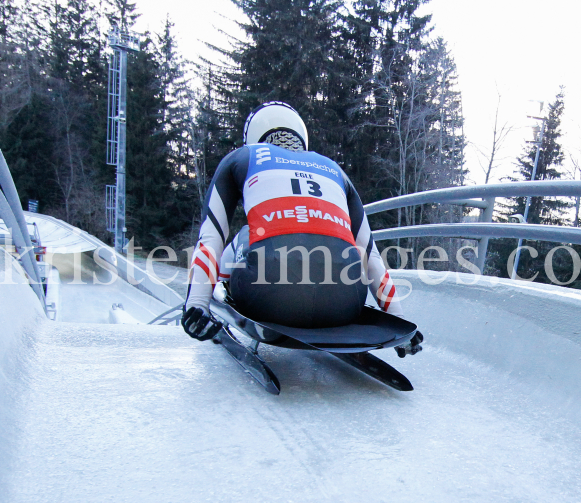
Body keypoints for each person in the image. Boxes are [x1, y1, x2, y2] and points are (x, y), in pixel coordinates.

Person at [181, 101, 423, 357]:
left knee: (244, 235)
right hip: (346, 302)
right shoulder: (335, 169)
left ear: (252, 137)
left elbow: (211, 237)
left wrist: (195, 304)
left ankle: (218, 295)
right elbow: (370, 255)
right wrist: (398, 322)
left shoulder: (241, 158)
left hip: (269, 297)